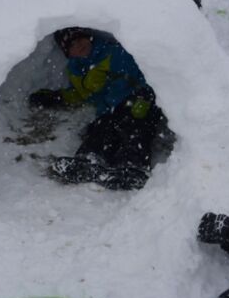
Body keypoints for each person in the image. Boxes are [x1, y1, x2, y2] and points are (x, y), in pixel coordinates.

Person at [28, 28, 166, 190]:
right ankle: (88, 160)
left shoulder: (113, 53)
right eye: (72, 44)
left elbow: (148, 72)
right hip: (110, 110)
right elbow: (81, 94)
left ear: (90, 38)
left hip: (137, 102)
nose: (79, 45)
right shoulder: (76, 71)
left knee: (133, 128)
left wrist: (145, 95)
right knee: (101, 129)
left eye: (81, 39)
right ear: (67, 53)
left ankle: (133, 166)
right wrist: (57, 97)